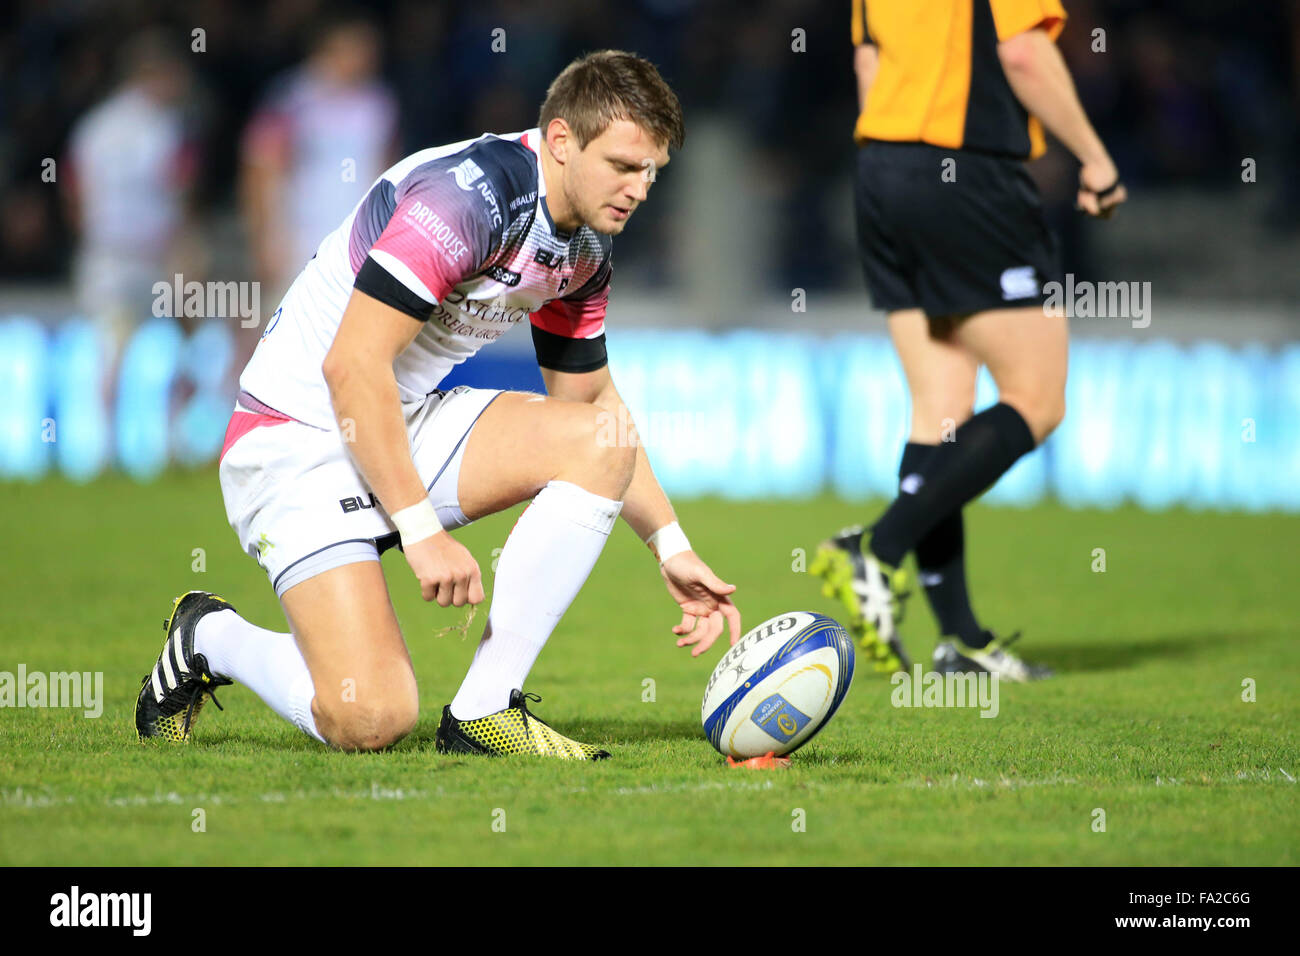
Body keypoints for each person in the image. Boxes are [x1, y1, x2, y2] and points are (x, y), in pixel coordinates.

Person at [135, 50, 741, 759]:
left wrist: (669, 543)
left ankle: (486, 709)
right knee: (370, 720)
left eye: (651, 173)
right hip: (293, 439)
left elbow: (588, 405)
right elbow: (351, 366)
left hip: (402, 419)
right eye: (623, 165)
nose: (638, 190)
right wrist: (421, 531)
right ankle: (209, 636)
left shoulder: (585, 251)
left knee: (599, 437)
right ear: (561, 141)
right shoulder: (469, 196)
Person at [812, 1, 1126, 681]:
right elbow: (1021, 54)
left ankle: (960, 642)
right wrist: (1096, 159)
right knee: (1037, 400)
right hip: (967, 176)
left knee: (941, 413)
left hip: (881, 175)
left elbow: (870, 63)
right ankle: (876, 546)